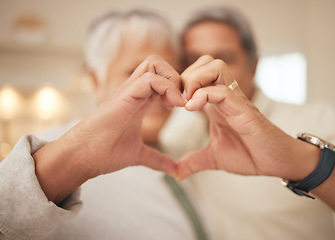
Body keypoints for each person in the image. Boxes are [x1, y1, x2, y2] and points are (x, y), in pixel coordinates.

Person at [0, 9, 211, 240]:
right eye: (135, 72)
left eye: (169, 72)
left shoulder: (181, 150)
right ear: (96, 80)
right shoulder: (51, 151)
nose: (160, 86)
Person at [180, 7, 335, 240]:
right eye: (192, 60)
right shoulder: (179, 136)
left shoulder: (318, 120)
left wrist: (299, 159)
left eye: (224, 58)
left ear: (253, 65)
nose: (206, 71)